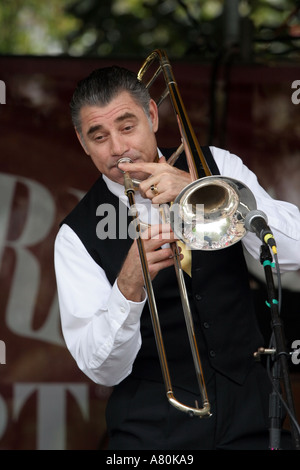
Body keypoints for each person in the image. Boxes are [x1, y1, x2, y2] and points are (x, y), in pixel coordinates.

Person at [54, 65, 300, 450]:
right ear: (82, 142)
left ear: (152, 115)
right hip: (153, 430)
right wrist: (128, 286)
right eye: (98, 137)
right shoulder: (75, 235)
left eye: (127, 126)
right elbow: (100, 368)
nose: (117, 149)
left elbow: (291, 254)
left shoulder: (216, 165)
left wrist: (204, 188)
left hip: (251, 414)